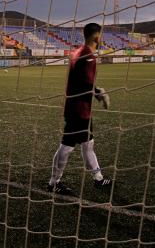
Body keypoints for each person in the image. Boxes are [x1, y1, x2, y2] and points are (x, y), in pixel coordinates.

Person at [47, 23, 112, 195]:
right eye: (101, 34)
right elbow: (85, 83)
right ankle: (54, 182)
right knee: (67, 146)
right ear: (96, 36)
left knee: (88, 143)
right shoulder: (87, 55)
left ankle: (98, 178)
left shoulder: (78, 52)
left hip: (78, 108)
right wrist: (99, 93)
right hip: (78, 110)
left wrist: (96, 92)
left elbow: (81, 81)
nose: (102, 38)